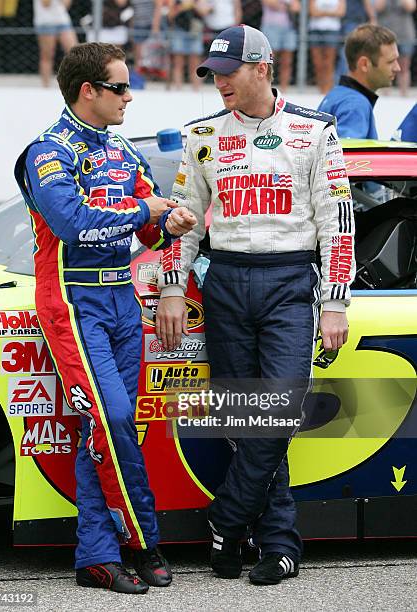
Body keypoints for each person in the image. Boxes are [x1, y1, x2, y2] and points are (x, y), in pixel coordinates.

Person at [155, 24, 355, 585]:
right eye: (213, 73)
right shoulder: (201, 134)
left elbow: (336, 221)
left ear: (262, 68)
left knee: (281, 409)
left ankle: (226, 516)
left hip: (291, 281)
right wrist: (173, 287)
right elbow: (182, 221)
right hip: (226, 281)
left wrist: (336, 302)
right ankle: (277, 545)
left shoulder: (315, 130)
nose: (218, 81)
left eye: (228, 71)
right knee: (248, 420)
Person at [14, 43, 196, 594]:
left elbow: (149, 229)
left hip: (121, 300)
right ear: (87, 90)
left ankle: (96, 555)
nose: (129, 96)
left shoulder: (121, 150)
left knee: (109, 428)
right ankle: (142, 539)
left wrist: (172, 222)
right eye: (120, 87)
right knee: (113, 418)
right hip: (72, 301)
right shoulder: (48, 152)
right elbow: (71, 222)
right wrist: (148, 211)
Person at [318, 24, 400, 139]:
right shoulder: (355, 104)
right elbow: (347, 154)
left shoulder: (336, 94)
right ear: (364, 64)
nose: (397, 68)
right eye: (391, 61)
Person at [374, 0, 416, 96]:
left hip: (405, 34)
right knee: (384, 65)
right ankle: (386, 94)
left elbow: (411, 7)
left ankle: (404, 93)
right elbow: (377, 7)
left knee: (404, 66)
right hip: (385, 35)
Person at [33, 0, 78, 87]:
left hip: (62, 20)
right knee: (47, 56)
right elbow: (45, 4)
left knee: (76, 53)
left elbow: (65, 5)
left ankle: (75, 84)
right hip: (45, 22)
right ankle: (46, 87)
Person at [261, 0, 301, 91]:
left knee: (287, 61)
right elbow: (271, 3)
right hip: (271, 27)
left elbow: (297, 7)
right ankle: (265, 87)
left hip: (289, 28)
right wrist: (288, 5)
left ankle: (284, 89)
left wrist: (282, 5)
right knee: (269, 59)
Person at [308, 0, 346, 94]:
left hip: (332, 30)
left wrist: (321, 12)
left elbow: (341, 12)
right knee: (318, 63)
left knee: (329, 63)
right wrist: (331, 13)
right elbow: (313, 12)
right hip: (316, 29)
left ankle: (328, 89)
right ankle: (321, 88)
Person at [334, 0, 376, 82]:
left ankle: (340, 82)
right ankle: (342, 83)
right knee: (348, 55)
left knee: (345, 54)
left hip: (345, 21)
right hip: (354, 22)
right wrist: (373, 18)